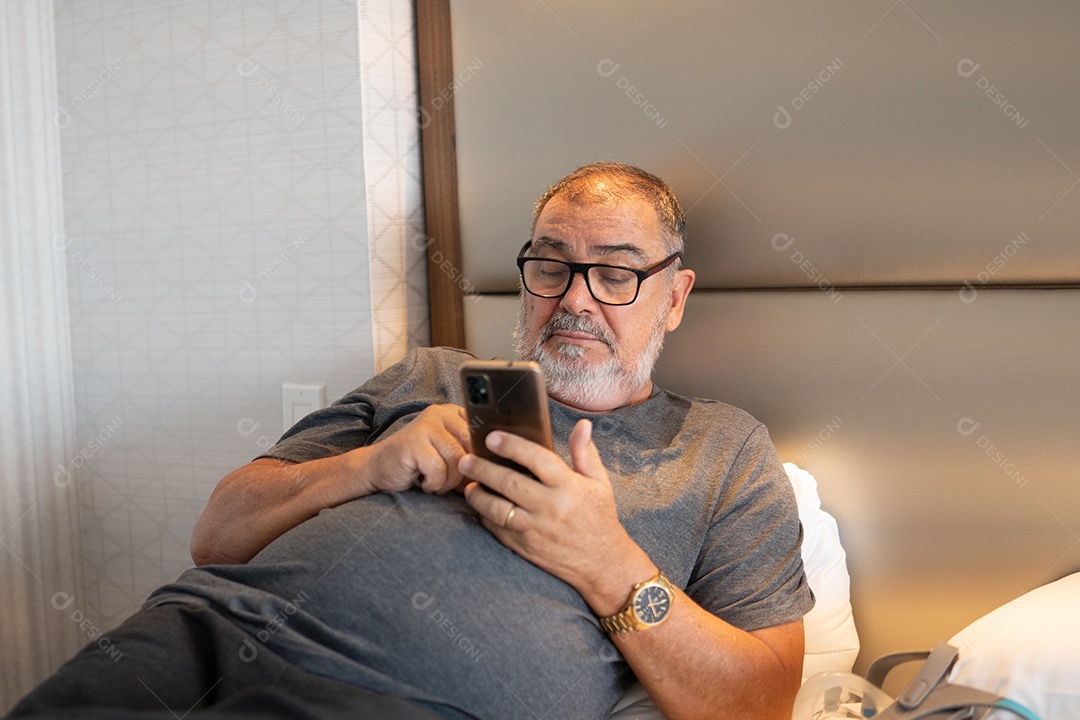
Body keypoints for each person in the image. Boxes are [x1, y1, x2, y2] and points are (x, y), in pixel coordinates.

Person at [8, 163, 812, 720]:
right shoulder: (428, 373)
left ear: (674, 297)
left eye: (615, 273)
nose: (574, 300)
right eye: (551, 265)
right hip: (202, 633)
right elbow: (217, 534)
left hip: (400, 700)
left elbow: (762, 701)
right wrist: (367, 467)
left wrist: (606, 560)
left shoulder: (722, 450)